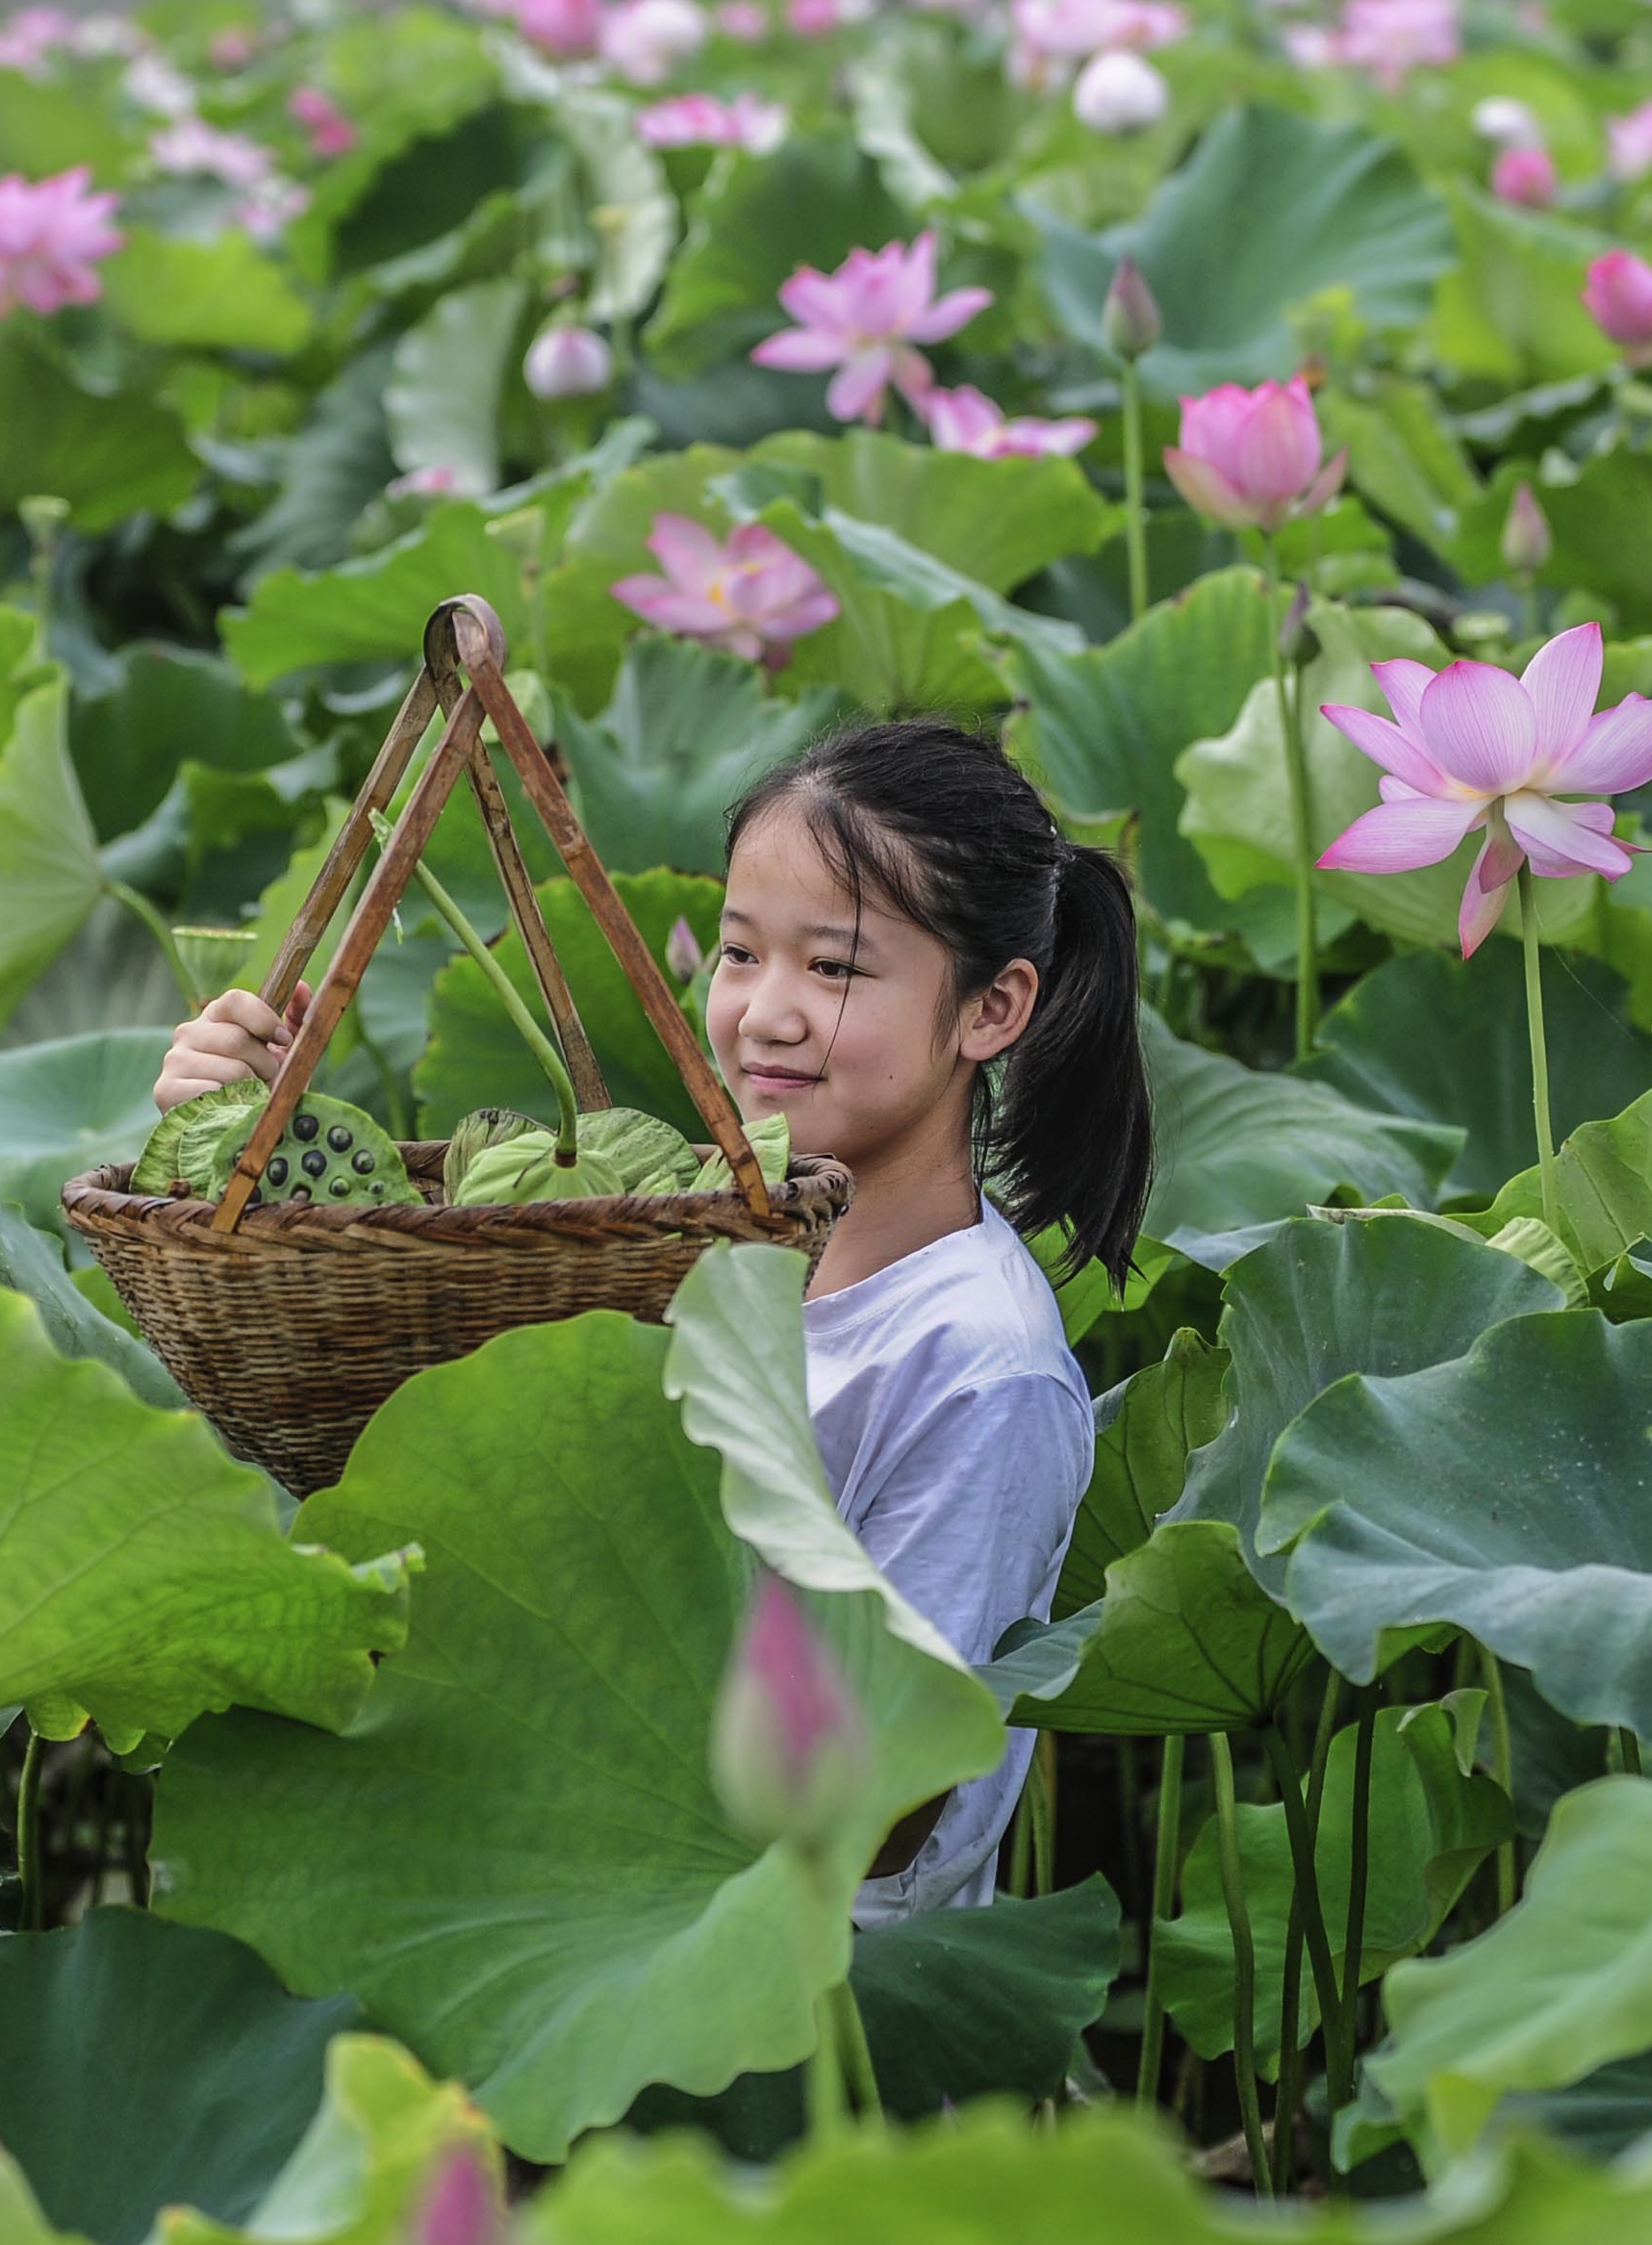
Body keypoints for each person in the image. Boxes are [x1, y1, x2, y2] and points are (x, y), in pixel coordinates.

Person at [153, 719, 1151, 1916]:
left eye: (832, 968)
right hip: (578, 1912)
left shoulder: (978, 1365)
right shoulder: (671, 1245)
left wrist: (584, 1649)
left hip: (818, 2014)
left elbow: (882, 1812)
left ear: (992, 1010)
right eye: (738, 954)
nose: (763, 1014)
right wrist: (250, 1145)